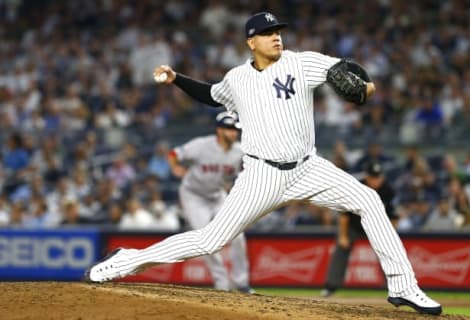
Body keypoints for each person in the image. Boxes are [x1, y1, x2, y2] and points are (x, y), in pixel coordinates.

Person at [85, 12, 442, 315]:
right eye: (268, 34)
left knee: (369, 200)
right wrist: (177, 79)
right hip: (261, 174)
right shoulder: (236, 79)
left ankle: (404, 287)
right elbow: (211, 95)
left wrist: (366, 90)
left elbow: (351, 75)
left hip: (308, 168)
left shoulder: (301, 62)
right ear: (250, 42)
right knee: (210, 240)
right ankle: (125, 261)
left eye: (278, 32)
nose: (276, 38)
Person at [167, 111, 253, 293]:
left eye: (235, 130)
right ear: (219, 130)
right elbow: (174, 153)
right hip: (194, 196)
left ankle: (242, 283)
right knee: (206, 240)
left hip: (217, 195)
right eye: (230, 129)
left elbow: (247, 172)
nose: (234, 133)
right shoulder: (201, 146)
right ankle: (222, 284)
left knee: (238, 235)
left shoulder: (239, 152)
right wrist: (175, 167)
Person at [321, 161, 397, 297]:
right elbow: (344, 215)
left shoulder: (388, 189)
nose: (376, 180)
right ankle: (330, 287)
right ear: (367, 177)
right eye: (373, 177)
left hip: (376, 226)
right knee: (341, 248)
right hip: (354, 225)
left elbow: (393, 216)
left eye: (378, 177)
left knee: (388, 250)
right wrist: (343, 236)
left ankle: (395, 288)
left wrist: (390, 236)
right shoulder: (356, 187)